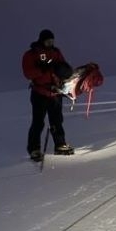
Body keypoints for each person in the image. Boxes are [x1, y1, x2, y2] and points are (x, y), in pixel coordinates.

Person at [22, 29, 74, 161]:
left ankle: (60, 145)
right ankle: (34, 149)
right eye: (48, 40)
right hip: (39, 93)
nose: (50, 43)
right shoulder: (31, 54)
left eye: (52, 40)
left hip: (55, 93)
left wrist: (65, 73)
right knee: (38, 122)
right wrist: (41, 70)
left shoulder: (56, 52)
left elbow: (63, 66)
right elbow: (28, 73)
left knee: (57, 121)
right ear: (42, 40)